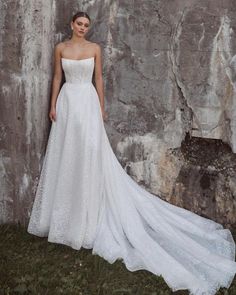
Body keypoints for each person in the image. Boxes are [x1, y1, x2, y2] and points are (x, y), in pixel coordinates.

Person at [27, 11, 236, 295]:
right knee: (67, 156)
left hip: (86, 103)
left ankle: (87, 216)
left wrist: (100, 106)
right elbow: (55, 78)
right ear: (72, 25)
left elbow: (99, 79)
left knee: (89, 155)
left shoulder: (94, 49)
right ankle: (65, 215)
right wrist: (52, 105)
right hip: (67, 103)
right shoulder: (61, 48)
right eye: (80, 24)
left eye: (87, 25)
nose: (83, 28)